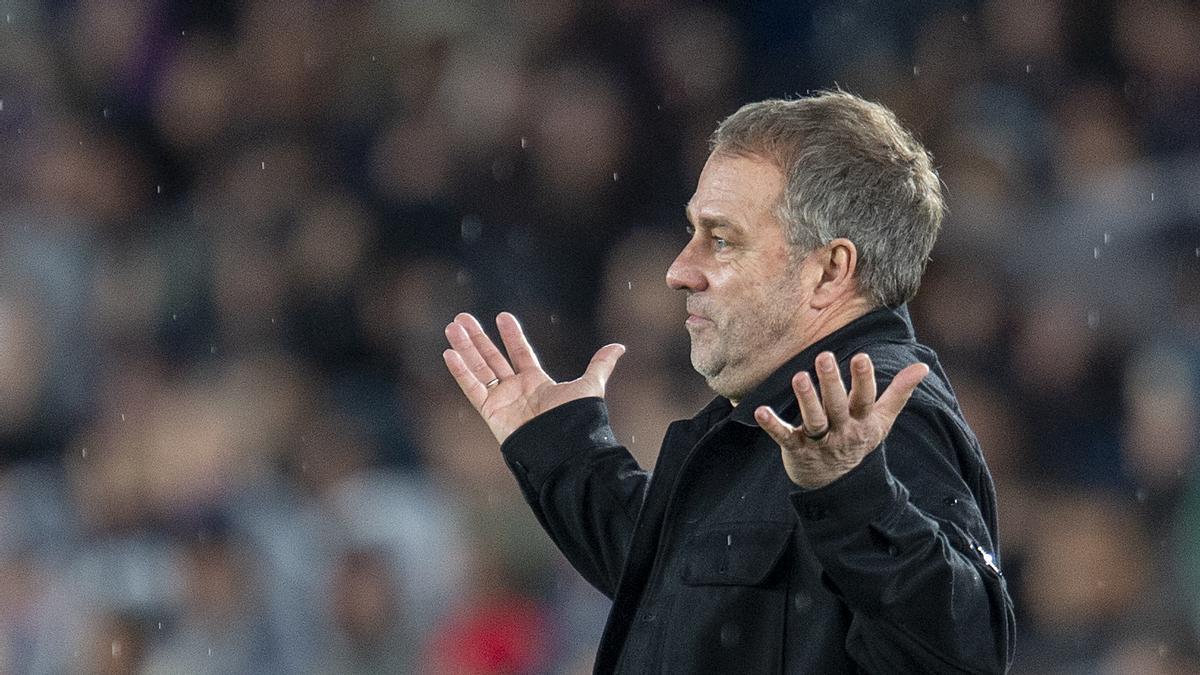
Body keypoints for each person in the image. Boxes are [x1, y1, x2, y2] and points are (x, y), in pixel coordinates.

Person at [443, 91, 1015, 674]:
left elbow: (963, 657)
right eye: (693, 232)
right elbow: (687, 593)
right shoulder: (784, 416)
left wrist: (853, 493)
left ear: (829, 271)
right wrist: (560, 448)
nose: (679, 270)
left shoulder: (875, 413)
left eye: (721, 239)